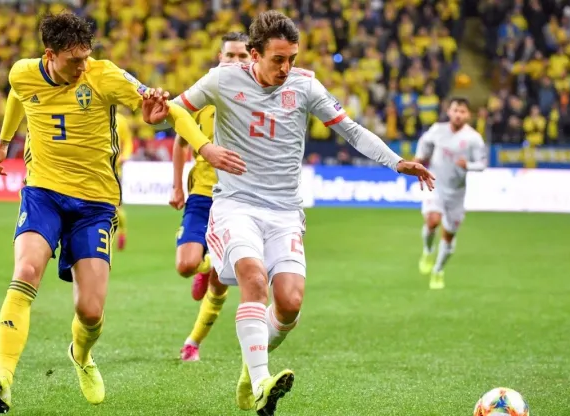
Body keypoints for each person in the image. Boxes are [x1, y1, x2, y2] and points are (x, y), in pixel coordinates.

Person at [154, 10, 434, 415]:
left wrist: (396, 162)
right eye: (278, 60)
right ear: (253, 54)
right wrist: (205, 147)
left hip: (285, 210)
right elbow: (176, 111)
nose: (287, 68)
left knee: (289, 303)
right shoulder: (223, 79)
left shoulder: (305, 86)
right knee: (253, 278)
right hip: (236, 205)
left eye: (292, 59)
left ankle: (251, 373)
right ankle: (264, 382)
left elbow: (350, 130)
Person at [0, 11, 245, 414]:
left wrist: (199, 145)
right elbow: (18, 93)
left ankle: (81, 355)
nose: (83, 65)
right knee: (26, 271)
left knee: (90, 311)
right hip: (43, 193)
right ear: (50, 55)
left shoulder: (104, 75)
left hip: (95, 205)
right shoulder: (23, 72)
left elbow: (167, 110)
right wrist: (3, 142)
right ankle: (4, 378)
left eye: (87, 56)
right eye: (74, 60)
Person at [169, 32, 252, 362]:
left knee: (221, 283)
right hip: (203, 195)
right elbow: (179, 141)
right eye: (229, 55)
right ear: (220, 58)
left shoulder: (260, 99)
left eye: (242, 56)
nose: (234, 61)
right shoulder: (203, 96)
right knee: (186, 265)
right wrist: (177, 186)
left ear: (253, 58)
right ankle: (205, 264)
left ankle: (193, 342)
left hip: (240, 199)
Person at [414, 97, 487, 289]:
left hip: (456, 193)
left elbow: (482, 164)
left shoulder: (473, 138)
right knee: (432, 221)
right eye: (455, 110)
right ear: (449, 112)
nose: (458, 114)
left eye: (462, 111)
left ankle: (438, 270)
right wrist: (419, 159)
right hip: (435, 185)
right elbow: (424, 144)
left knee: (448, 236)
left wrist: (469, 165)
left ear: (468, 115)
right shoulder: (438, 130)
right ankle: (428, 250)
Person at [114, 111, 133, 251]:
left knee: (116, 208)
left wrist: (124, 156)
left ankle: (122, 232)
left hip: (115, 171)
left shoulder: (120, 120)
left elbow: (128, 142)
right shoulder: (93, 116)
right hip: (95, 171)